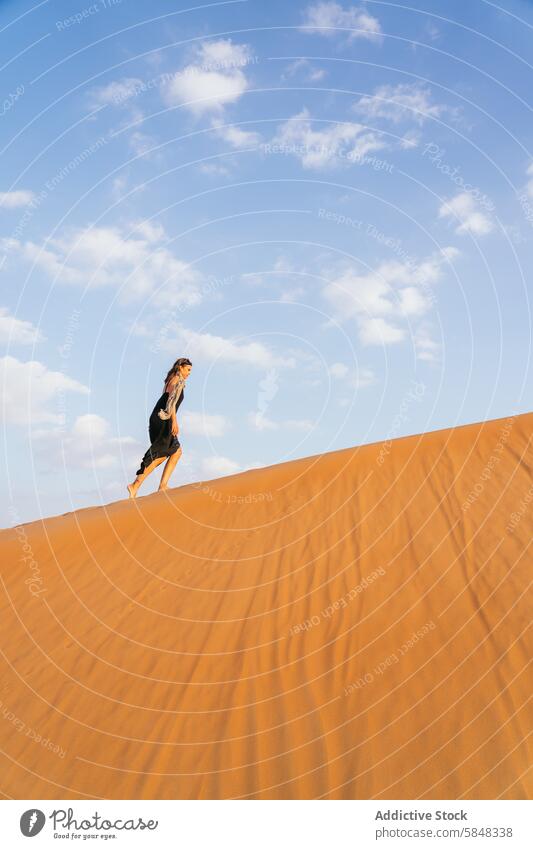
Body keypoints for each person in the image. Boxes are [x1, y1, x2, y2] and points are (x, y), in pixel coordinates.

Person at [127, 357, 192, 498]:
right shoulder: (178, 381)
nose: (189, 373)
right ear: (180, 367)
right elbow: (171, 403)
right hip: (164, 419)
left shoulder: (171, 379)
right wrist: (174, 422)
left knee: (170, 452)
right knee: (169, 452)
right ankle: (138, 485)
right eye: (188, 370)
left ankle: (154, 485)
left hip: (157, 417)